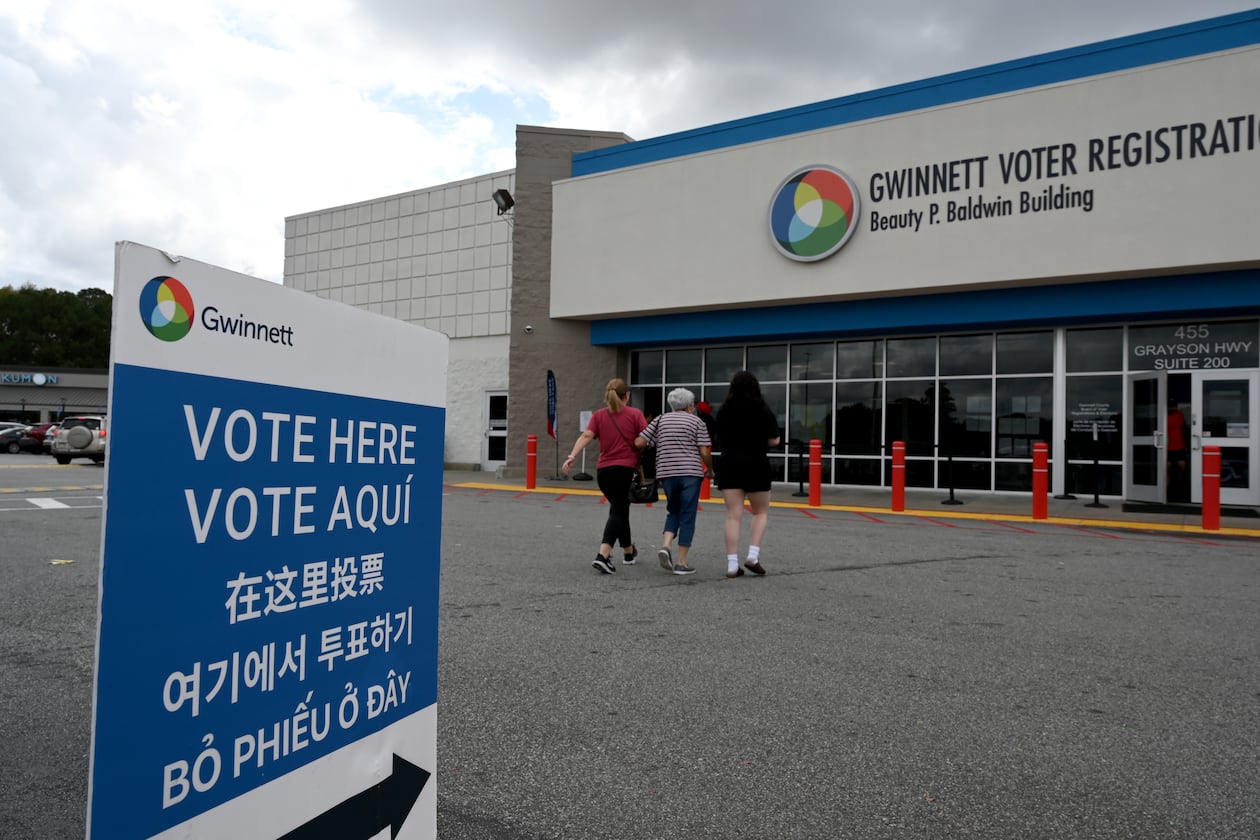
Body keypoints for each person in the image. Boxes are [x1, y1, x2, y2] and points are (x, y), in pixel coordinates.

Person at [562, 378, 647, 574]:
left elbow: (586, 436)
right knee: (618, 510)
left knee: (620, 508)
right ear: (627, 396)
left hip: (604, 473)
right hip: (625, 470)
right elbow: (643, 440)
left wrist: (572, 456)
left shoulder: (599, 416)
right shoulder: (635, 414)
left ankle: (628, 552)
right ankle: (603, 555)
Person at [636, 388, 713, 576]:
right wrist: (710, 469)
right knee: (687, 514)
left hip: (666, 473)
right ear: (689, 406)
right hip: (690, 474)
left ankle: (666, 545)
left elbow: (640, 442)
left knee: (673, 510)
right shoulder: (697, 421)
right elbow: (704, 451)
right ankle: (681, 563)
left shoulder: (661, 420)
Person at [713, 371, 781, 578]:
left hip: (729, 463)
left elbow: (719, 437)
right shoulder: (762, 409)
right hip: (756, 463)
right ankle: (753, 555)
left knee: (734, 515)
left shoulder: (724, 411)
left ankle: (732, 564)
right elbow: (775, 440)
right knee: (760, 512)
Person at [1167, 398, 1190, 501]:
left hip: (1180, 446)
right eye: (1170, 406)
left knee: (1182, 466)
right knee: (1167, 466)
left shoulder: (1180, 415)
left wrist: (1187, 445)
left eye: (1174, 406)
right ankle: (1167, 488)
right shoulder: (1164, 416)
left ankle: (1180, 487)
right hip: (1168, 446)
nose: (1172, 408)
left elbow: (1184, 429)